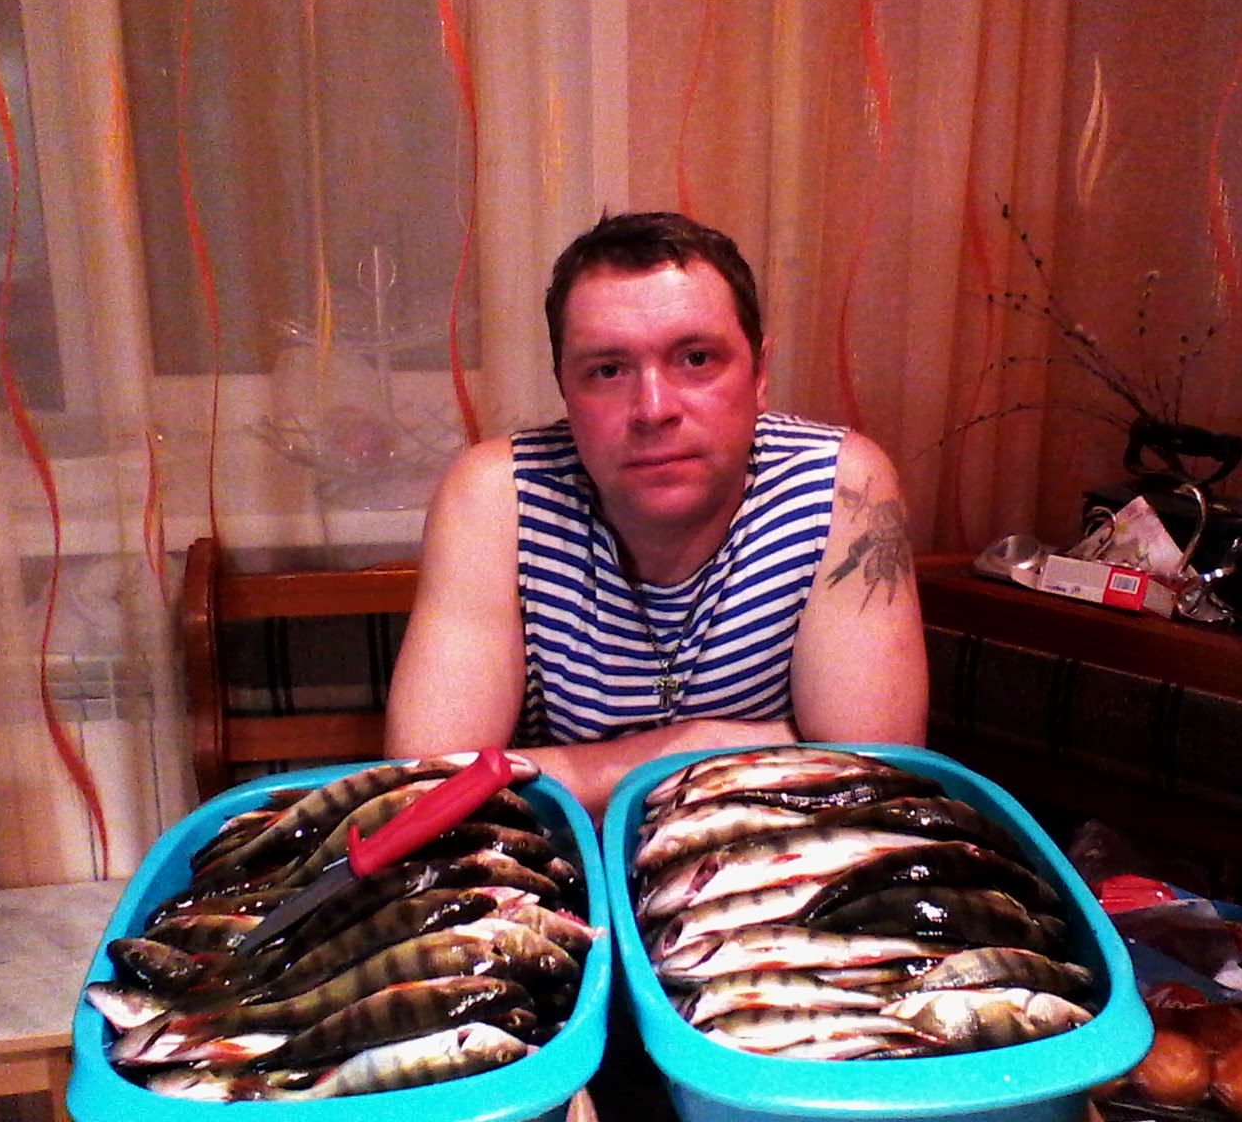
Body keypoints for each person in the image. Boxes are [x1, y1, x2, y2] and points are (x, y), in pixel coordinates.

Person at [384, 211, 927, 817]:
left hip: (780, 855)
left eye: (696, 359)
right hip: (568, 863)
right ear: (565, 389)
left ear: (759, 375)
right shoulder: (496, 494)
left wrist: (558, 773)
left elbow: (873, 779)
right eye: (608, 371)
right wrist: (715, 742)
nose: (653, 408)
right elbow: (433, 792)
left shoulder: (841, 485)